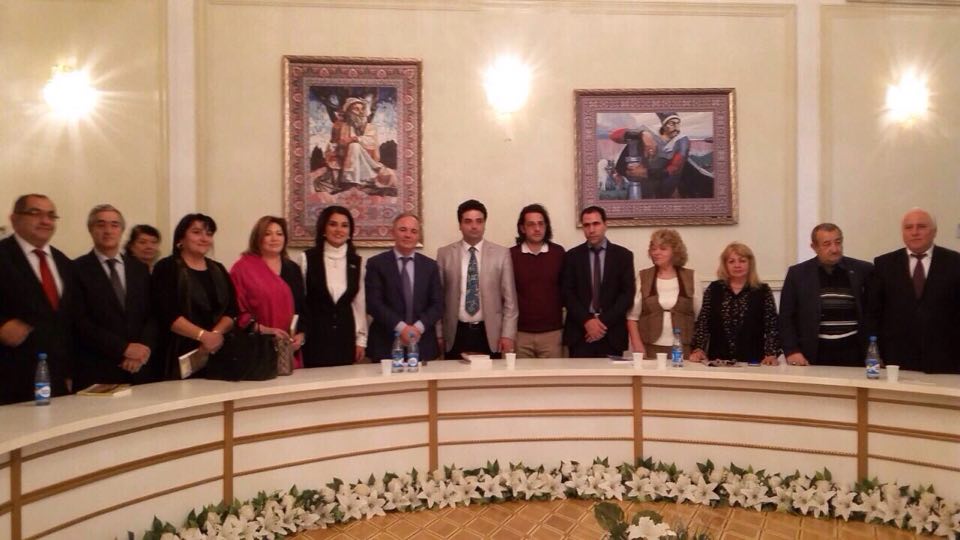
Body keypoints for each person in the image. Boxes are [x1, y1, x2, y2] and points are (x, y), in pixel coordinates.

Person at [0, 194, 76, 404]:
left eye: (51, 215)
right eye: (35, 213)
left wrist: (70, 371)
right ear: (14, 219)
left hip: (56, 380)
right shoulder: (3, 255)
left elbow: (67, 321)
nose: (45, 221)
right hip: (9, 380)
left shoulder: (64, 262)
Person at [73, 204, 158, 389]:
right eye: (101, 224)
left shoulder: (139, 269)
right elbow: (80, 321)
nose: (108, 230)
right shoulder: (76, 269)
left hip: (140, 368)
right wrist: (124, 349)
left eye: (114, 225)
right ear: (90, 229)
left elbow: (152, 315)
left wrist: (142, 350)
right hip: (98, 368)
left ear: (121, 230)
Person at [867, 208, 960, 374]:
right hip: (897, 359)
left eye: (921, 226)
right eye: (908, 227)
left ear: (934, 231)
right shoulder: (884, 264)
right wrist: (874, 352)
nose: (914, 232)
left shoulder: (955, 263)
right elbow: (873, 313)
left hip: (947, 358)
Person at [151, 214, 237, 379]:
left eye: (209, 234)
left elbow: (232, 310)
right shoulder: (166, 267)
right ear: (181, 238)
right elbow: (167, 313)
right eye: (196, 232)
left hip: (218, 351)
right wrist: (203, 336)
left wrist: (214, 335)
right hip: (177, 353)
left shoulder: (218, 269)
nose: (204, 238)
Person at [779, 223, 874, 367]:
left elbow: (874, 313)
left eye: (838, 242)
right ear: (814, 247)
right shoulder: (797, 274)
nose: (834, 249)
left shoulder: (863, 270)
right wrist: (792, 350)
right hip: (814, 353)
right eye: (827, 244)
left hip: (854, 351)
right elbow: (786, 317)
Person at [436, 199, 518, 359]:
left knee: (490, 375)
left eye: (479, 221)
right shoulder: (444, 254)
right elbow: (438, 298)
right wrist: (438, 333)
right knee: (454, 374)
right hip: (455, 333)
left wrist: (508, 335)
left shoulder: (501, 254)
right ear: (460, 225)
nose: (474, 226)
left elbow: (510, 301)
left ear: (484, 224)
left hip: (490, 333)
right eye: (468, 221)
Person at [365, 213, 443, 361]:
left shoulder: (430, 266)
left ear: (418, 236)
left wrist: (417, 328)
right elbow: (374, 304)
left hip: (423, 343)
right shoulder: (376, 264)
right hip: (385, 344)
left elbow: (438, 305)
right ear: (393, 232)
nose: (408, 235)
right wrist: (402, 328)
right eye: (403, 230)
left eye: (413, 231)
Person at [230, 216, 306, 368]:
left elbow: (302, 308)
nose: (274, 238)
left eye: (279, 234)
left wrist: (301, 335)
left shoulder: (293, 269)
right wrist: (265, 330)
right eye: (267, 234)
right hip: (256, 347)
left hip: (288, 349)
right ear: (258, 238)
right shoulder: (242, 269)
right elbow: (235, 311)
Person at [561, 206, 635, 357]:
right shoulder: (572, 256)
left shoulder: (623, 256)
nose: (591, 229)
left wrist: (601, 323)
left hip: (611, 333)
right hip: (580, 333)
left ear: (605, 225)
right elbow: (567, 293)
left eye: (596, 224)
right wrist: (587, 321)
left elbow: (626, 295)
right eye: (587, 225)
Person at [690, 242, 781, 365]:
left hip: (754, 361)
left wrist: (771, 354)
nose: (737, 265)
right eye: (731, 261)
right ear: (725, 265)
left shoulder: (762, 291)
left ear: (750, 263)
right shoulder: (714, 289)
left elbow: (772, 326)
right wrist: (698, 349)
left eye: (742, 261)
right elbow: (703, 322)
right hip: (718, 360)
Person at [300, 205, 367, 366]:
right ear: (323, 228)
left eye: (344, 225)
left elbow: (359, 304)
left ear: (350, 232)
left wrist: (361, 340)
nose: (339, 230)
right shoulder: (307, 259)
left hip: (345, 337)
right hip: (314, 337)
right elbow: (300, 302)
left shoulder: (357, 262)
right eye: (333, 224)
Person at [626, 229, 702, 358]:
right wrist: (637, 345)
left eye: (663, 249)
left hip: (683, 349)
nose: (656, 253)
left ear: (675, 251)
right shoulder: (643, 277)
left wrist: (698, 349)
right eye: (653, 249)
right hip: (649, 348)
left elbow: (699, 317)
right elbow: (632, 317)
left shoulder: (691, 277)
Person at [510, 204, 565, 358]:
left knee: (552, 374)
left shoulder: (558, 253)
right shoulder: (511, 255)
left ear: (546, 226)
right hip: (520, 334)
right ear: (522, 228)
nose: (537, 228)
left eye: (541, 224)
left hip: (552, 333)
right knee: (520, 374)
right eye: (531, 224)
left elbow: (566, 289)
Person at [323, 97, 396, 190]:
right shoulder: (341, 126)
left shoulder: (370, 127)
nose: (361, 112)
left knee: (355, 146)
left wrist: (355, 139)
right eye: (356, 109)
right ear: (349, 112)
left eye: (362, 109)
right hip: (344, 159)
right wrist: (332, 158)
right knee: (353, 146)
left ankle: (352, 180)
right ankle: (350, 180)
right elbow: (334, 144)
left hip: (367, 161)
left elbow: (371, 142)